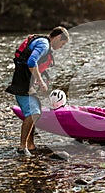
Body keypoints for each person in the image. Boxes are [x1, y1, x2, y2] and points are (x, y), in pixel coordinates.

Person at [6, 26, 70, 154]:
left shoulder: (43, 43)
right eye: (62, 43)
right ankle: (22, 147)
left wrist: (41, 78)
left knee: (36, 111)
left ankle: (30, 145)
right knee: (33, 113)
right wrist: (40, 81)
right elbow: (31, 62)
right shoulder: (44, 45)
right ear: (57, 38)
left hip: (24, 82)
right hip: (22, 83)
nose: (61, 47)